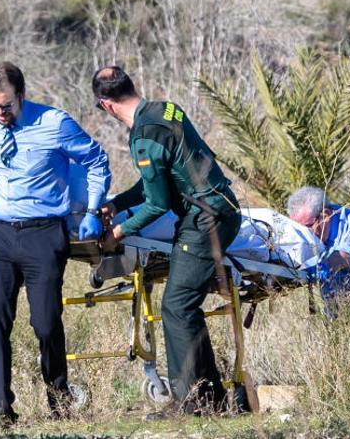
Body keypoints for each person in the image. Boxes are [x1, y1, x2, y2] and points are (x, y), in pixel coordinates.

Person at [93, 66, 240, 414]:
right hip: (216, 208)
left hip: (206, 220)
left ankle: (188, 403)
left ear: (106, 105)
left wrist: (118, 232)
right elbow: (153, 187)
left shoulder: (144, 136)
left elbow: (158, 204)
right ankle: (210, 399)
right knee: (185, 306)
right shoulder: (165, 109)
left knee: (176, 306)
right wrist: (117, 204)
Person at [0, 61, 111, 425]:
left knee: (46, 324)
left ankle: (59, 400)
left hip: (43, 233)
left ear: (22, 95)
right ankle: (0, 410)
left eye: (6, 105)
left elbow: (97, 160)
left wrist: (93, 209)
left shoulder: (54, 123)